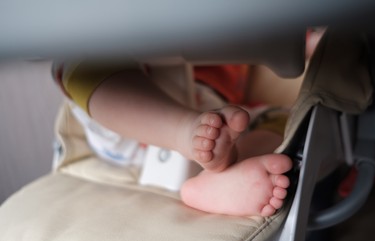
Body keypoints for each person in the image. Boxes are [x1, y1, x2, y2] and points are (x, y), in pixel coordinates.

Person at [53, 62, 294, 217]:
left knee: (284, 117)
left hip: (217, 112)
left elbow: (293, 37)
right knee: (81, 65)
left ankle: (225, 173)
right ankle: (183, 131)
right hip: (133, 112)